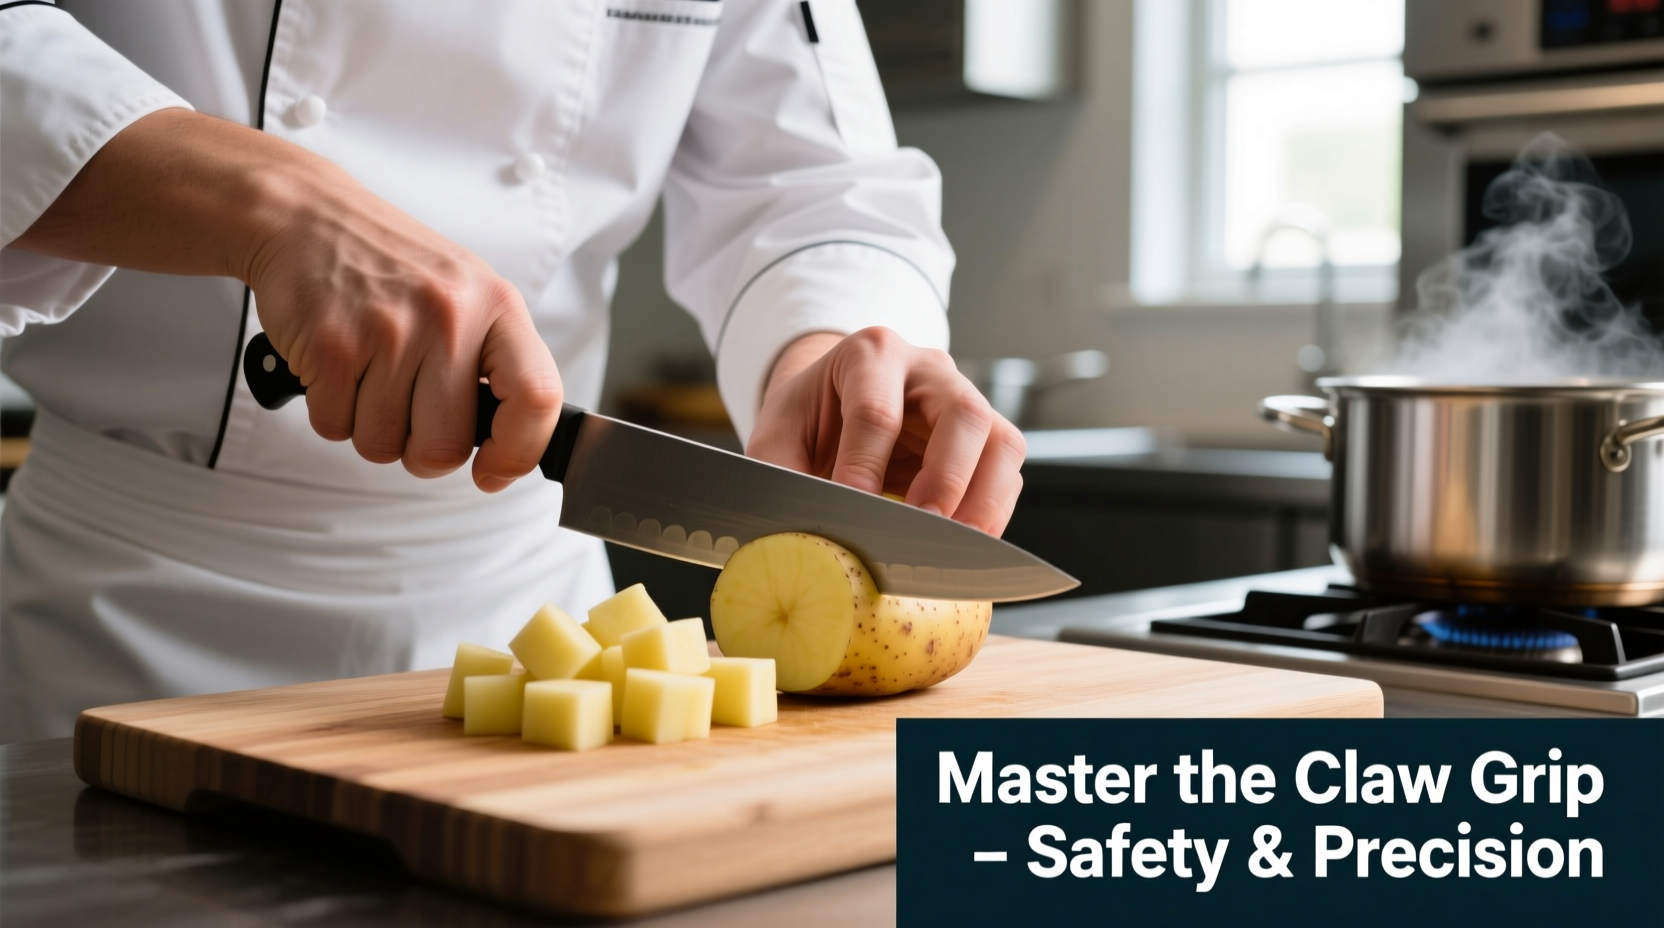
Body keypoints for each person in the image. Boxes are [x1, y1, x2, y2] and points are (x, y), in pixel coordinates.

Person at [0, 0, 1024, 742]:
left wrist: (833, 336)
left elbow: (810, 177)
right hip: (123, 615)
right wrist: (269, 200)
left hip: (529, 621)